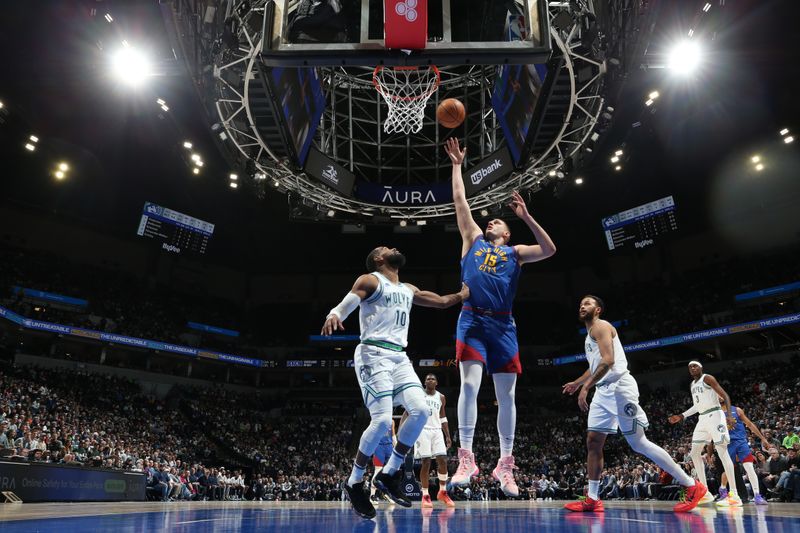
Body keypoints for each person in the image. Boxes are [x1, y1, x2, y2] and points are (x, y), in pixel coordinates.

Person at [444, 137, 557, 497]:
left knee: (506, 396)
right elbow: (461, 201)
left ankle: (505, 465)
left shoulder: (516, 252)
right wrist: (458, 165)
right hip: (472, 319)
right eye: (490, 220)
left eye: (499, 222)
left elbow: (550, 249)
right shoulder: (472, 239)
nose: (491, 221)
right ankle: (467, 458)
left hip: (503, 325)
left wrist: (526, 217)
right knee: (469, 387)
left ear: (506, 234)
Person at [321, 246, 469, 519]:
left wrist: (462, 294)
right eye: (386, 248)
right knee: (380, 421)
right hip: (373, 354)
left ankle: (389, 473)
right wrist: (334, 315)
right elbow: (348, 302)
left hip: (399, 358)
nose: (393, 248)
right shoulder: (371, 280)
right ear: (379, 259)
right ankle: (354, 482)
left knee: (422, 411)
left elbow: (440, 301)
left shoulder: (408, 288)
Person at [563, 295, 707, 513]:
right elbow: (596, 365)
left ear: (598, 309)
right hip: (603, 392)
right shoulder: (589, 335)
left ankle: (691, 485)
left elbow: (609, 360)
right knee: (593, 442)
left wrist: (586, 387)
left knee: (638, 443)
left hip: (620, 388)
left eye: (588, 303)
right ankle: (592, 498)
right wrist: (579, 382)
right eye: (581, 303)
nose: (582, 306)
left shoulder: (601, 326)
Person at [668, 361, 742, 507]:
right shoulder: (692, 385)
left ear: (701, 368)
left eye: (695, 366)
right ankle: (705, 492)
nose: (692, 369)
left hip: (715, 415)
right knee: (694, 453)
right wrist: (682, 416)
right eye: (690, 367)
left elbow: (725, 395)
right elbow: (697, 406)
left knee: (722, 451)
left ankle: (734, 494)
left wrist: (728, 415)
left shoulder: (708, 378)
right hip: (702, 418)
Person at [402, 373, 455, 508]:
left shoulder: (441, 397)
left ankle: (442, 492)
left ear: (436, 382)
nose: (430, 380)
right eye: (428, 379)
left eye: (433, 379)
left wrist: (447, 435)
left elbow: (443, 417)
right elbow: (407, 412)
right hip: (422, 430)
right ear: (424, 382)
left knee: (442, 460)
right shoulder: (418, 395)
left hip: (437, 431)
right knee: (426, 462)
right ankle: (425, 495)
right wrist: (401, 430)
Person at [717, 402, 770, 505]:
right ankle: (723, 489)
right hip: (727, 444)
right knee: (728, 470)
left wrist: (762, 438)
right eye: (717, 395)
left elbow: (749, 424)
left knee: (749, 467)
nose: (720, 396)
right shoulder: (715, 414)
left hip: (741, 442)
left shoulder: (737, 410)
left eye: (721, 394)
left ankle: (757, 495)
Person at [369, 419, 395, 503]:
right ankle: (372, 495)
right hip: (379, 447)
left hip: (389, 447)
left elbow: (393, 435)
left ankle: (388, 494)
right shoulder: (375, 420)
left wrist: (397, 447)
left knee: (390, 472)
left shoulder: (392, 421)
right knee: (377, 471)